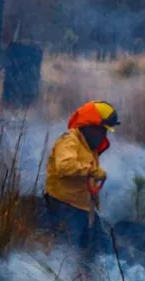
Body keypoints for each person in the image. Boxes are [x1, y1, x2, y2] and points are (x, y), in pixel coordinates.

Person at [43, 101, 119, 253]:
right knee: (67, 252)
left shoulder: (89, 147)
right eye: (102, 130)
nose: (103, 135)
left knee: (102, 248)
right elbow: (64, 166)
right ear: (90, 126)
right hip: (65, 207)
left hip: (84, 207)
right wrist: (91, 171)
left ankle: (104, 275)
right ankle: (59, 276)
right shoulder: (69, 141)